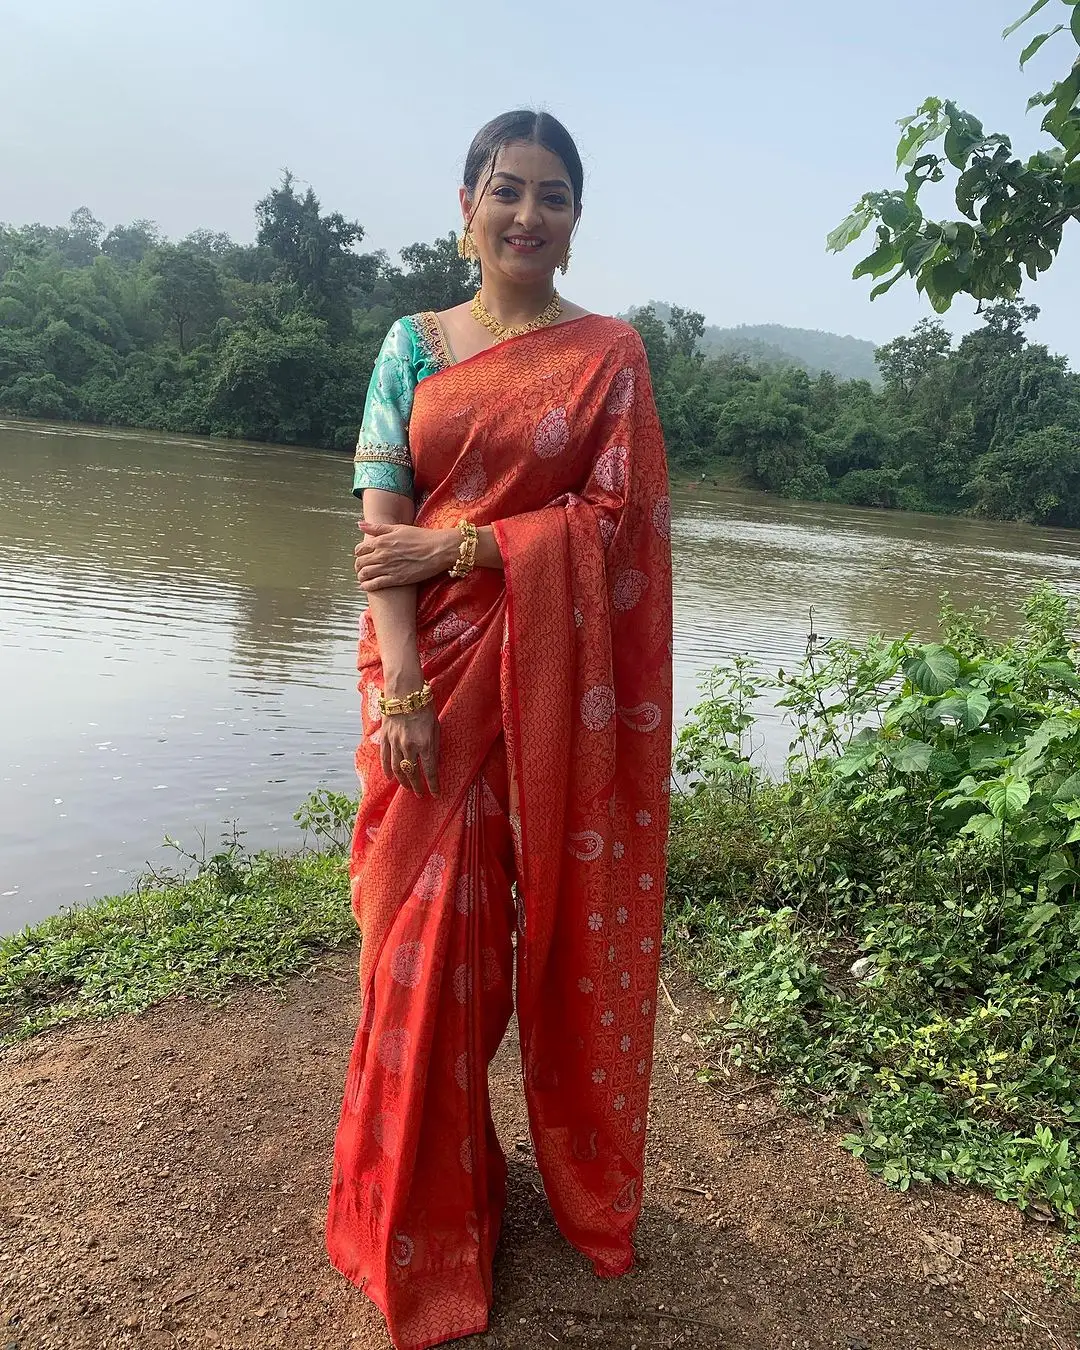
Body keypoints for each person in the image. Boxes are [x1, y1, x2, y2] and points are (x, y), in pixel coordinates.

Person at [326, 109, 673, 1350]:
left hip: (544, 686)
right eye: (507, 188)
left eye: (554, 196)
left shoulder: (608, 358)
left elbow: (618, 527)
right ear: (465, 202)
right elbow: (383, 536)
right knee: (413, 942)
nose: (528, 214)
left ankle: (488, 1183)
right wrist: (405, 691)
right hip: (428, 679)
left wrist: (471, 544)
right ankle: (424, 1195)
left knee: (500, 946)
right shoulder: (411, 346)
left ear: (577, 221)